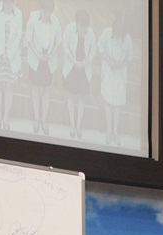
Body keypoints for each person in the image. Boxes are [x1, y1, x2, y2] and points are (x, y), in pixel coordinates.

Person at [23, 0, 60, 135]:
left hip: (49, 59)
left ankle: (44, 120)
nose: (46, 14)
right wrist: (37, 54)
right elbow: (29, 38)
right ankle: (36, 119)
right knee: (35, 89)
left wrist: (50, 55)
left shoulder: (55, 21)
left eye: (49, 12)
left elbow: (58, 42)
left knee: (46, 90)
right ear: (41, 9)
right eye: (45, 11)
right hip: (36, 57)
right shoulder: (33, 16)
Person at [0, 0, 21, 130]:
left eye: (11, 3)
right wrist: (1, 52)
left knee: (9, 86)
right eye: (6, 3)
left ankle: (6, 117)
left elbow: (18, 37)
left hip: (12, 56)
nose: (8, 5)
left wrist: (9, 54)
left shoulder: (19, 13)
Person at [97, 16, 132, 145]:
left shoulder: (127, 39)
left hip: (120, 74)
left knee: (118, 105)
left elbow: (129, 56)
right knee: (107, 102)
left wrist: (120, 64)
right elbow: (100, 47)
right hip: (108, 70)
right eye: (118, 35)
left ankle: (115, 132)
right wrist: (109, 60)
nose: (119, 38)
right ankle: (109, 130)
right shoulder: (107, 33)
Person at [61, 8, 95, 140]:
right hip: (72, 66)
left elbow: (93, 50)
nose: (83, 29)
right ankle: (72, 123)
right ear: (77, 23)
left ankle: (79, 125)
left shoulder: (90, 32)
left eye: (85, 26)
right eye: (81, 26)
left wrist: (85, 62)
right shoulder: (70, 28)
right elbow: (65, 45)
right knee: (71, 95)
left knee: (82, 97)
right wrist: (74, 61)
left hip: (84, 69)